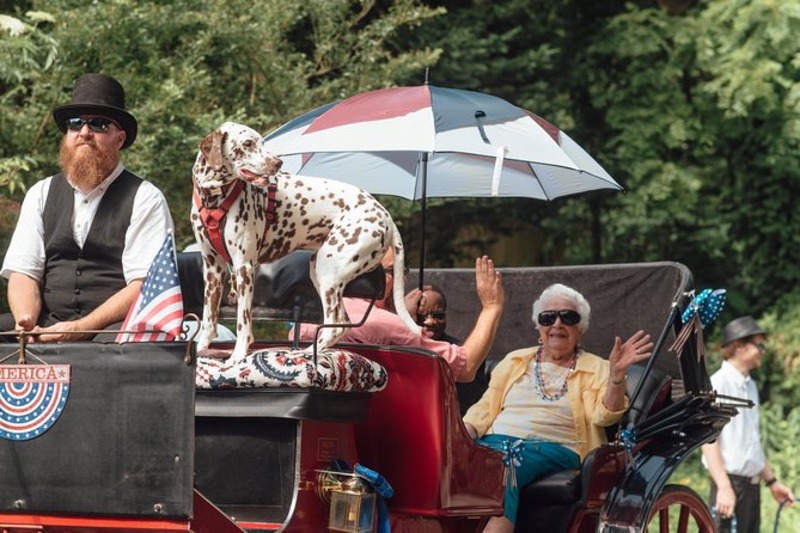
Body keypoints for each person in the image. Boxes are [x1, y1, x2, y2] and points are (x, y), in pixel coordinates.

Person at [463, 283, 653, 533]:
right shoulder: (514, 360)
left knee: (504, 465)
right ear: (538, 326)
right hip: (494, 442)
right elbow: (484, 410)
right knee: (455, 463)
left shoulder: (597, 367)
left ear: (581, 328)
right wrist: (458, 439)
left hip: (560, 447)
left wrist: (616, 376)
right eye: (548, 317)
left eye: (568, 317)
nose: (557, 324)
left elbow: (604, 415)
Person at [0, 73, 174, 342]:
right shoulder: (41, 193)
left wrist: (82, 327)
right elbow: (24, 272)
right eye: (75, 124)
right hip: (46, 324)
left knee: (121, 347)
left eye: (98, 124)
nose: (84, 132)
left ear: (119, 138)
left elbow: (144, 285)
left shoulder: (145, 198)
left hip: (110, 328)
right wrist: (26, 322)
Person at [295, 249, 504, 382]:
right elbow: (465, 367)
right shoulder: (387, 325)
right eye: (395, 271)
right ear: (372, 277)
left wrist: (399, 314)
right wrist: (491, 306)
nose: (402, 280)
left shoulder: (311, 312)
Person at [701, 316, 795, 533]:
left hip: (752, 489)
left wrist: (772, 483)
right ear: (740, 347)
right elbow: (708, 440)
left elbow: (753, 441)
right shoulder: (718, 383)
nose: (763, 350)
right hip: (729, 486)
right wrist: (724, 487)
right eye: (759, 345)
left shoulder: (750, 385)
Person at [408, 283, 489, 414]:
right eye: (422, 316)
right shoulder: (397, 348)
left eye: (438, 316)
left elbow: (470, 405)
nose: (430, 322)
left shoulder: (464, 353)